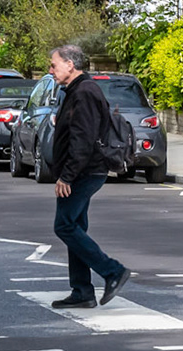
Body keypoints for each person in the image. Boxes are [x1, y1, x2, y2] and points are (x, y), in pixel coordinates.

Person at [45, 43, 130, 309]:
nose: (50, 70)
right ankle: (82, 290)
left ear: (70, 64)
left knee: (65, 226)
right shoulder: (75, 91)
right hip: (83, 170)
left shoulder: (84, 92)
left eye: (54, 64)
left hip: (84, 172)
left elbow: (83, 140)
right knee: (76, 227)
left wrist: (67, 177)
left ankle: (112, 271)